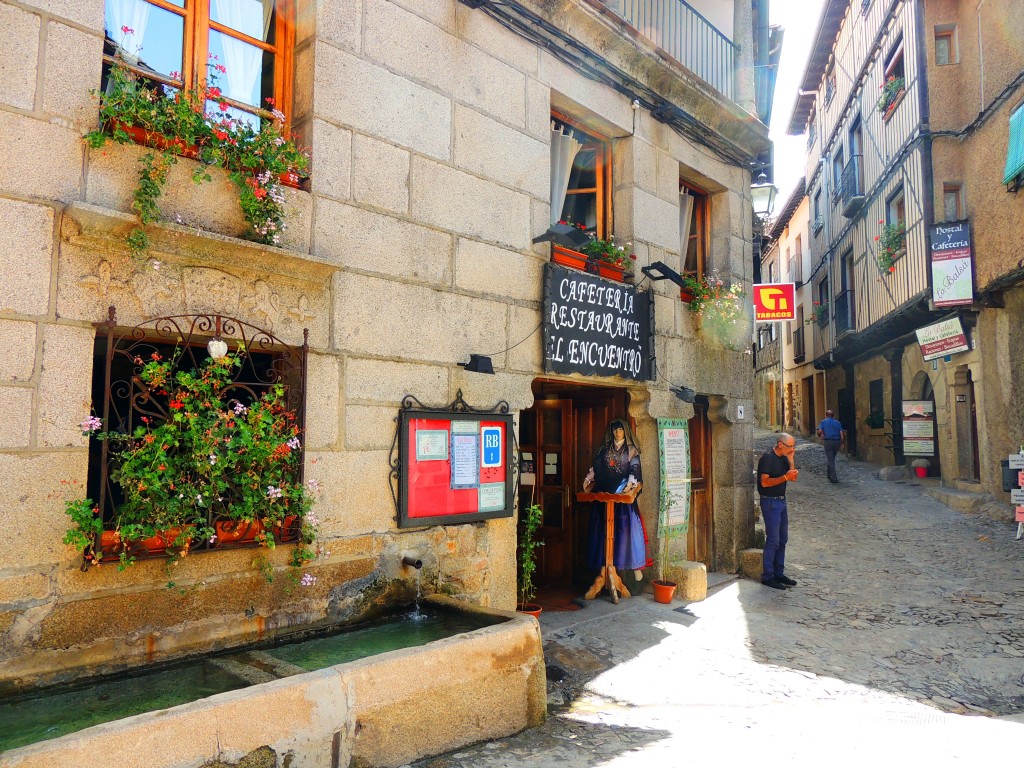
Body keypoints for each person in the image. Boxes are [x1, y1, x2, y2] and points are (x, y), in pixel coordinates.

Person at [583, 419, 652, 580]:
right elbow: (597, 467)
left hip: (622, 495)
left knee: (625, 532)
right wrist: (588, 479)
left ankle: (631, 570)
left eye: (620, 429)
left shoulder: (632, 451)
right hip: (604, 494)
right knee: (602, 531)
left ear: (625, 431)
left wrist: (629, 483)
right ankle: (604, 568)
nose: (617, 432)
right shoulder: (604, 450)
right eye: (614, 429)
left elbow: (635, 468)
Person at [757, 433, 799, 590]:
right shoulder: (767, 458)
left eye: (794, 446)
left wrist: (791, 459)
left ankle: (778, 572)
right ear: (781, 444)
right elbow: (765, 482)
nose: (792, 449)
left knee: (783, 539)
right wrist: (784, 478)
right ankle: (768, 576)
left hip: (781, 500)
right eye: (790, 446)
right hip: (770, 501)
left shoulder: (784, 458)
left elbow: (793, 477)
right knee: (773, 540)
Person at [816, 409, 847, 483]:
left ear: (826, 415)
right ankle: (828, 474)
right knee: (832, 457)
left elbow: (819, 431)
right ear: (833, 415)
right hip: (837, 442)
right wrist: (842, 443)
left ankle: (834, 477)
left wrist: (820, 435)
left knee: (831, 459)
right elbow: (842, 433)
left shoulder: (823, 422)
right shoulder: (838, 423)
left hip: (828, 442)